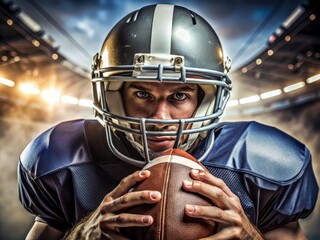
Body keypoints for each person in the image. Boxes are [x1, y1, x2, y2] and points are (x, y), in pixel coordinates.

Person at [18, 4, 318, 240]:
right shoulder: (60, 157)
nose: (160, 118)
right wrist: (81, 235)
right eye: (142, 93)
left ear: (205, 98)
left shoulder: (263, 163)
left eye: (179, 95)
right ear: (113, 94)